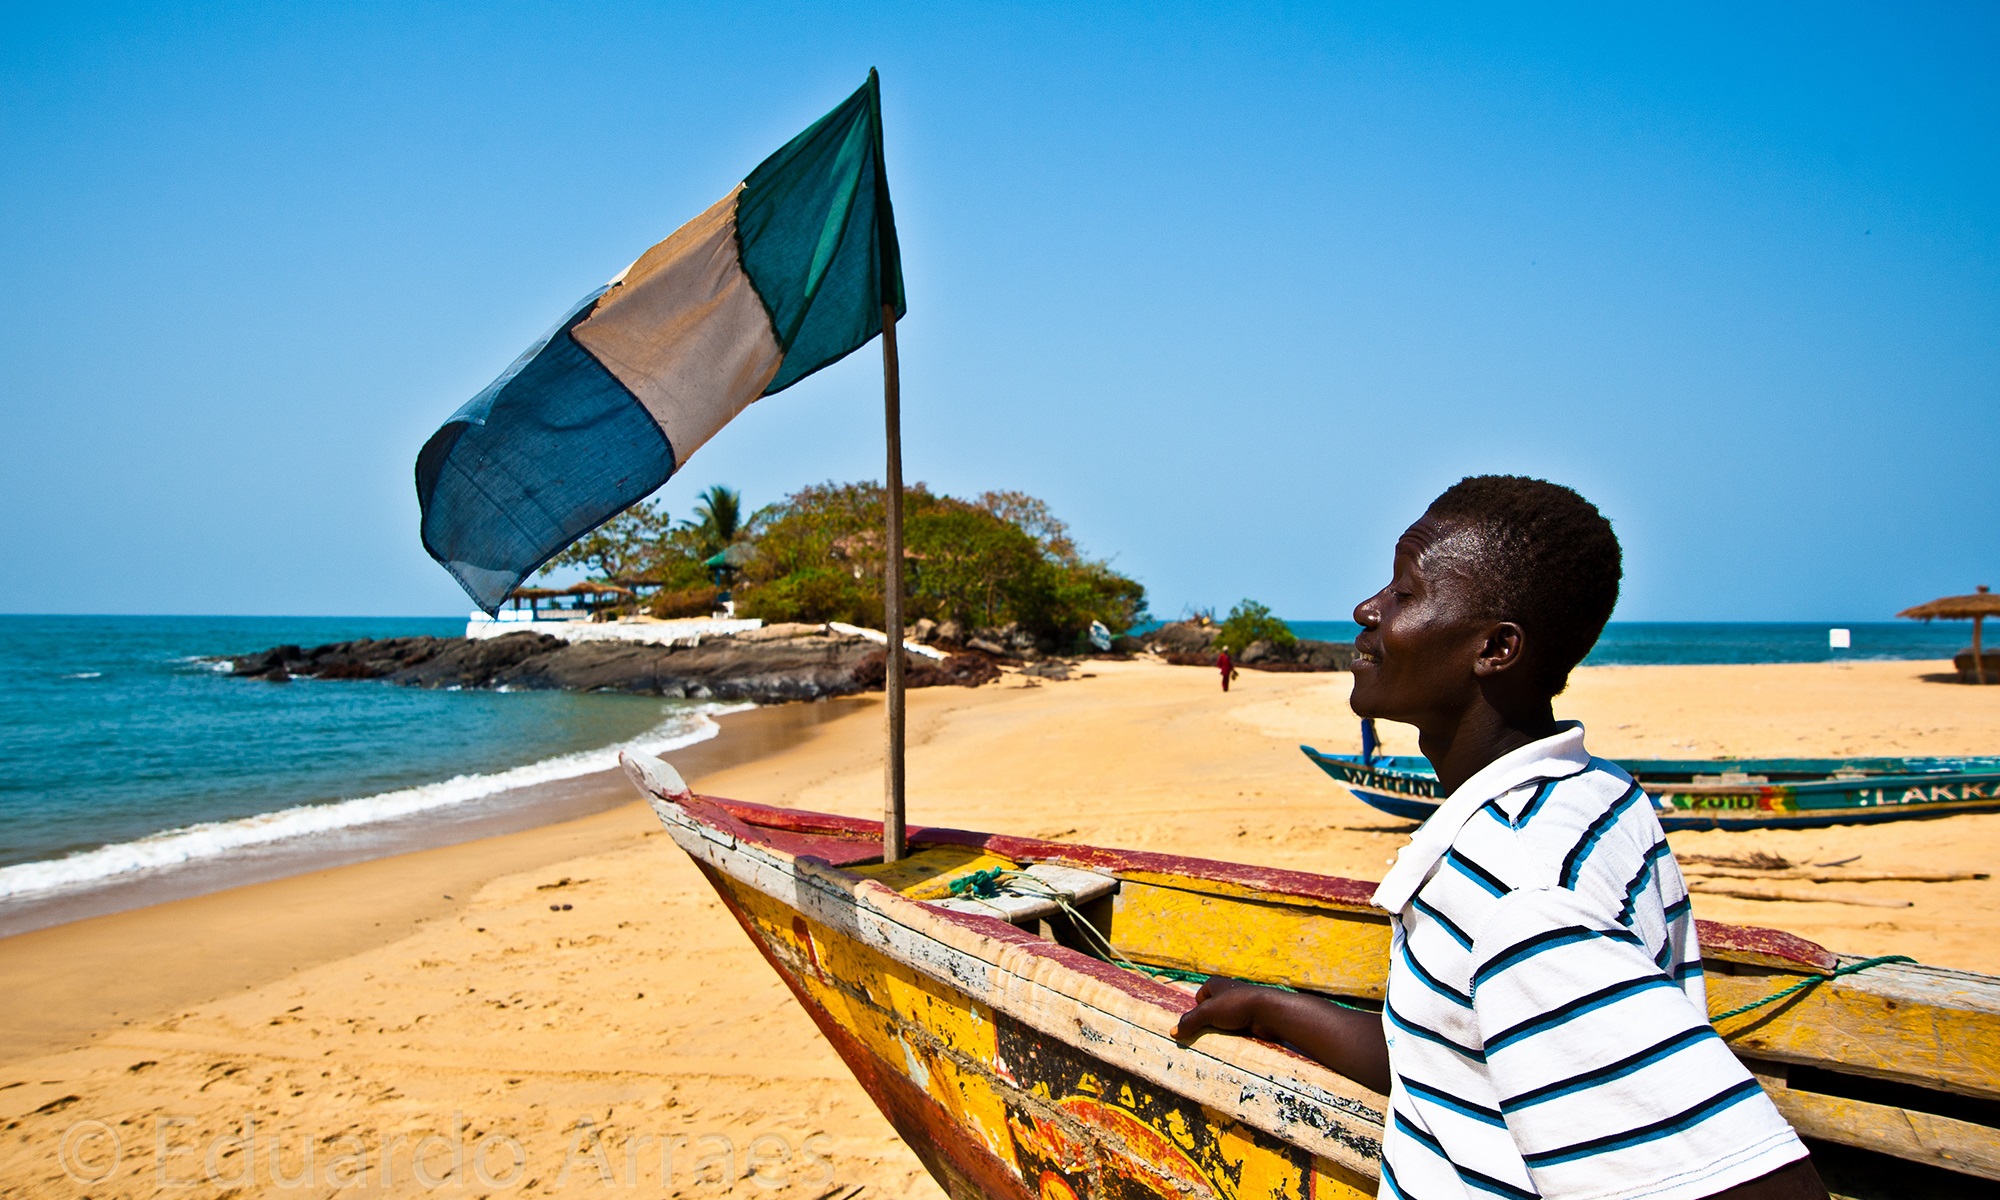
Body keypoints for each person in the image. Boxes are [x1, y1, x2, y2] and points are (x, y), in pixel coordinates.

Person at [1175, 476, 1824, 1200]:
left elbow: (1766, 1189)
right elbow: (1466, 1058)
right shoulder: (1598, 794)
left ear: (1495, 648)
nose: (1366, 609)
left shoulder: (1520, 894)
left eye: (1405, 591)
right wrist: (1275, 1009)